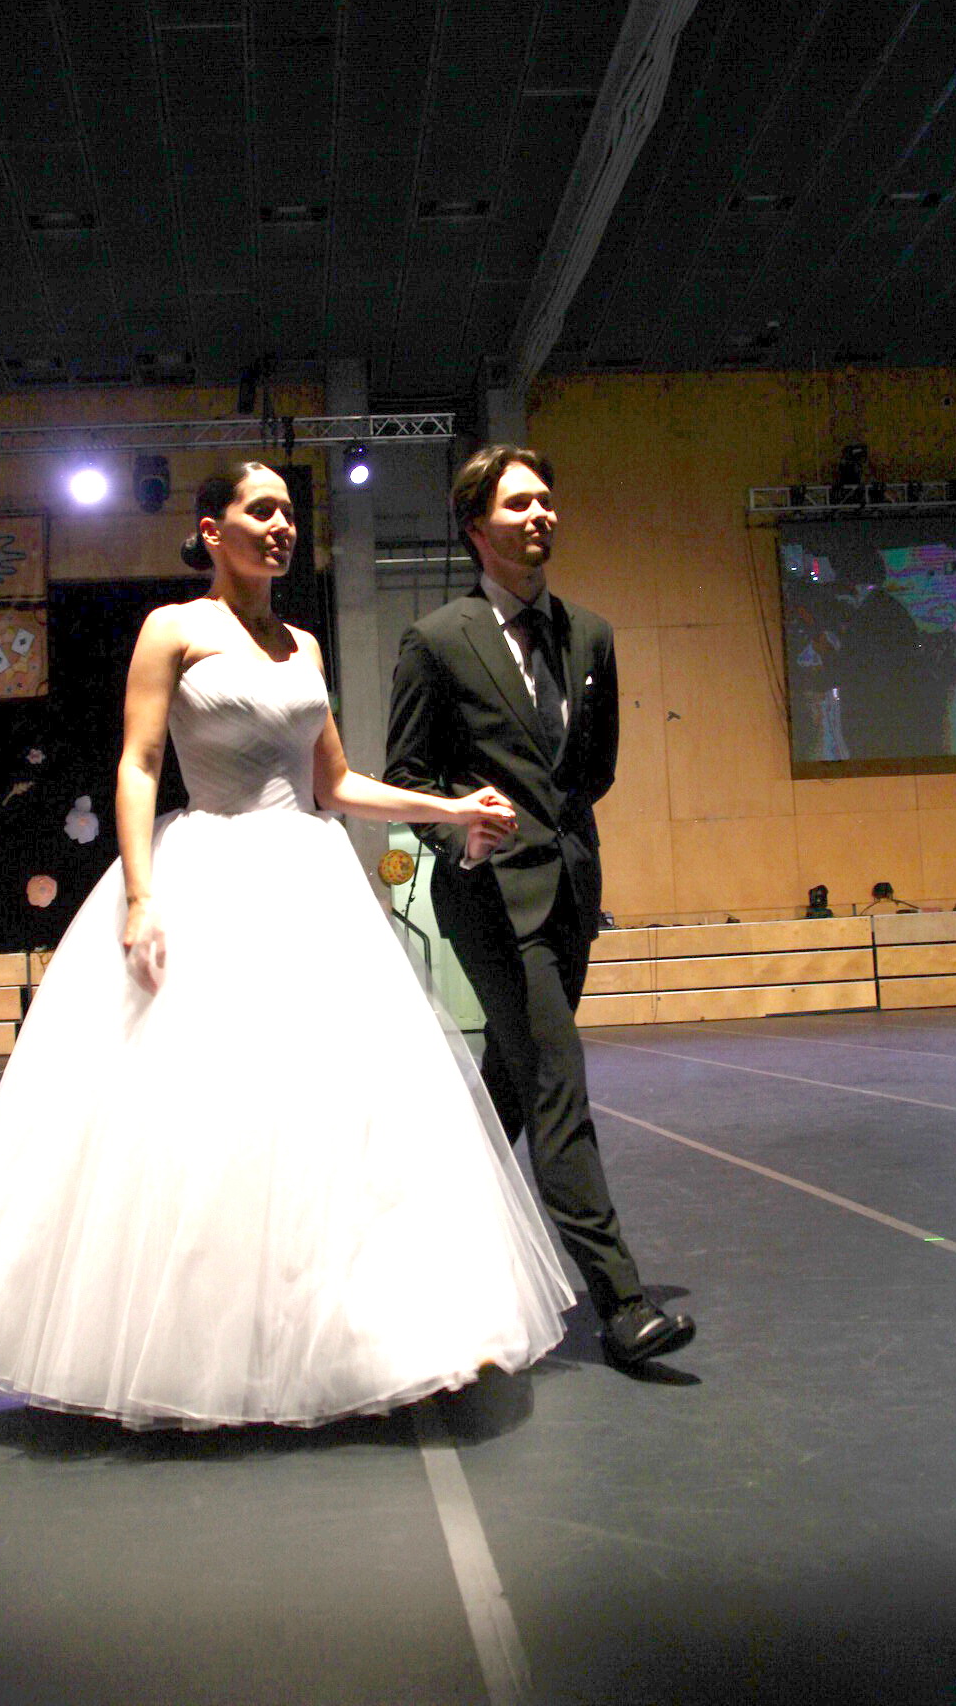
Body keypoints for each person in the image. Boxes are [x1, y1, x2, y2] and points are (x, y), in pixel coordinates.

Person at [0, 460, 574, 1429]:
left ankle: (351, 1337)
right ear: (213, 530)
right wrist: (141, 894)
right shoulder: (173, 630)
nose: (282, 526)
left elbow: (334, 785)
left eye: (290, 512)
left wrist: (451, 807)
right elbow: (138, 764)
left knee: (330, 1121)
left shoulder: (304, 646)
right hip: (209, 874)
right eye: (262, 511)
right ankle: (203, 1346)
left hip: (310, 884)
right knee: (206, 1120)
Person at [385, 444, 695, 1368]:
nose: (540, 514)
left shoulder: (590, 635)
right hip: (488, 898)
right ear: (475, 526)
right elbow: (408, 777)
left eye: (546, 500)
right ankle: (622, 1303)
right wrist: (462, 830)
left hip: (571, 893)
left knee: (515, 1085)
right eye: (518, 503)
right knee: (558, 1082)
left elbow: (594, 770)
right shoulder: (436, 640)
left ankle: (404, 1242)